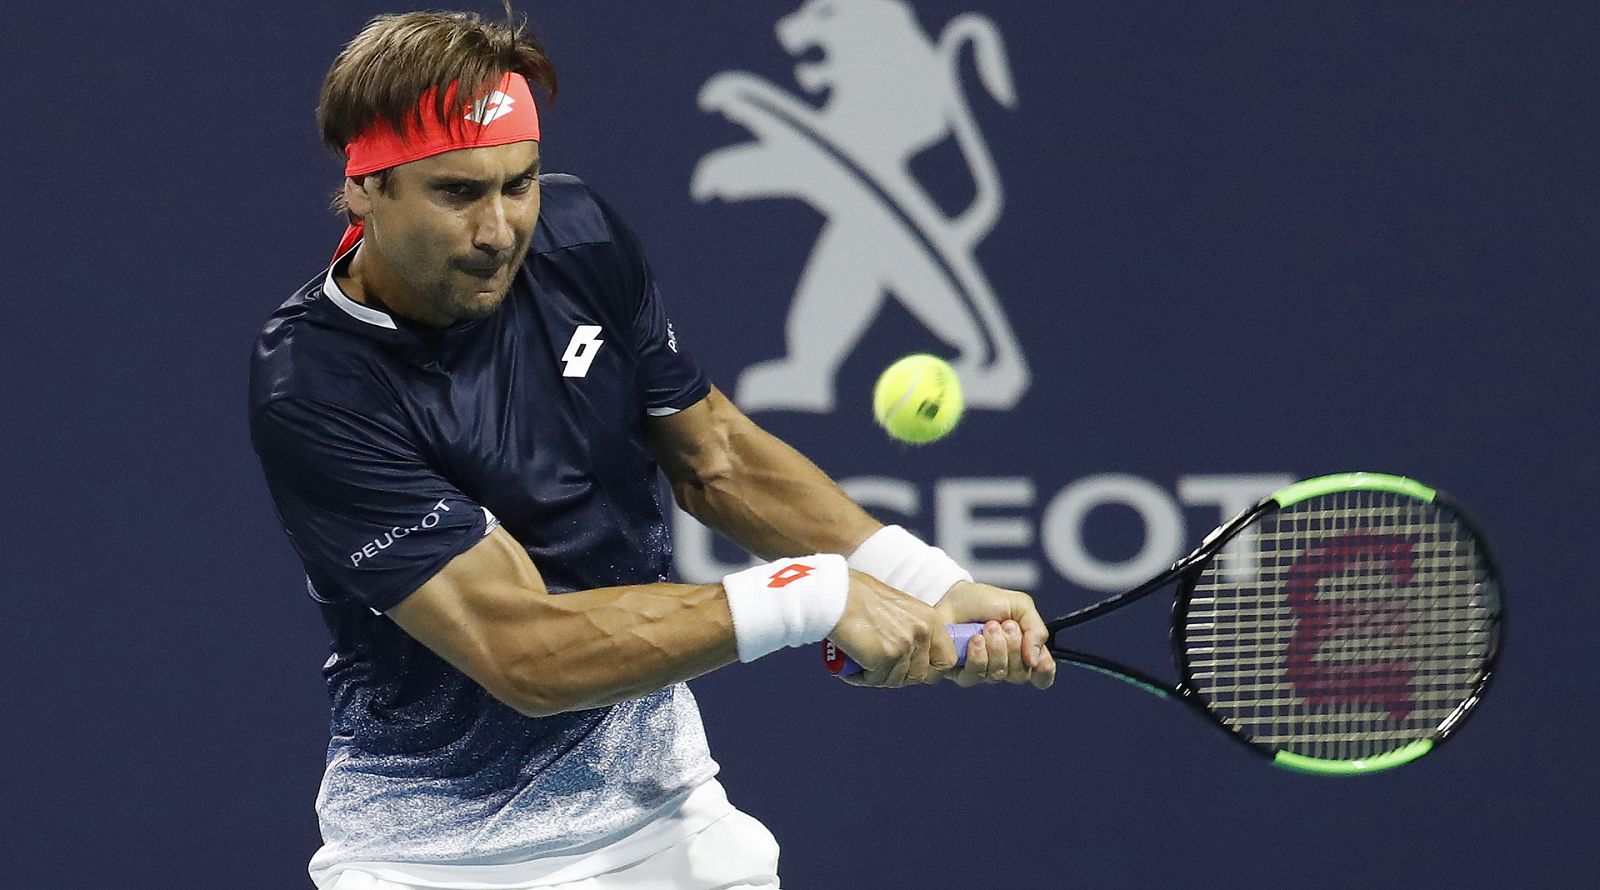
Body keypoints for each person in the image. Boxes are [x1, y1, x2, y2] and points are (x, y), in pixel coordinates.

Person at [249, 9, 1055, 889]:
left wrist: (926, 583)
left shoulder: (579, 236)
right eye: (456, 192)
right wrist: (813, 594)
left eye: (517, 184)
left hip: (668, 823)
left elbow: (718, 461)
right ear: (365, 188)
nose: (498, 229)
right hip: (435, 858)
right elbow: (522, 653)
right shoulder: (316, 386)